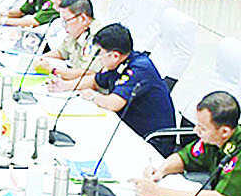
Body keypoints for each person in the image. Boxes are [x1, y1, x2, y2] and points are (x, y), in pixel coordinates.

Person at [134, 90, 241, 196]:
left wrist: (158, 192)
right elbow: (185, 157)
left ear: (224, 131)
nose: (196, 130)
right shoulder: (215, 137)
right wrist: (161, 170)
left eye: (202, 128)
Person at [69, 23, 178, 153]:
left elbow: (114, 103)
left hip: (151, 141)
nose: (98, 58)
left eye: (100, 53)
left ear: (115, 55)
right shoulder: (120, 63)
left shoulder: (139, 68)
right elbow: (95, 81)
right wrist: (64, 86)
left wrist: (93, 96)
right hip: (128, 130)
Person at [40, 0, 100, 80]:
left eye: (66, 21)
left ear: (83, 18)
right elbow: (61, 52)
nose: (64, 26)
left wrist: (53, 70)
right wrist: (41, 59)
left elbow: (88, 73)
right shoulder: (77, 31)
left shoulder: (98, 38)